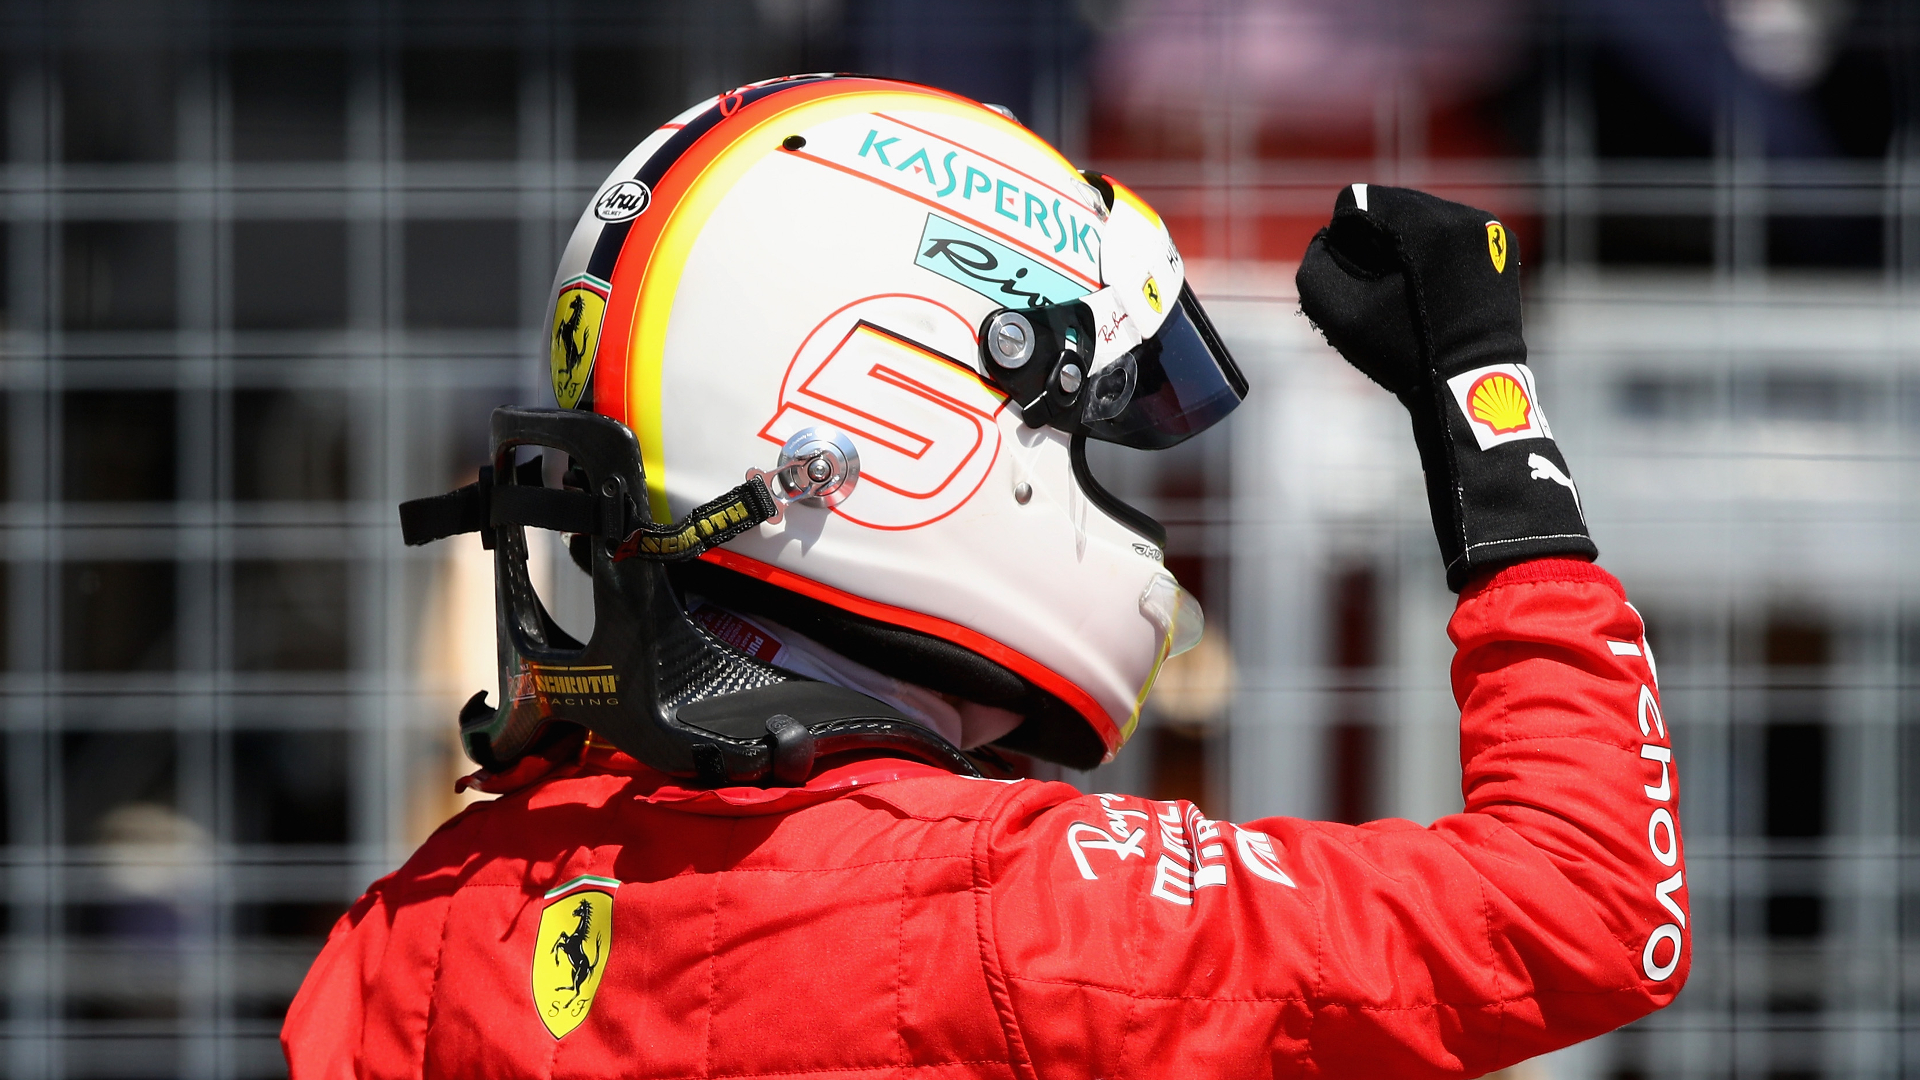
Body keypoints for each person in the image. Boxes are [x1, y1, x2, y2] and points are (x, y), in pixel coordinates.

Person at [283, 75, 1687, 1078]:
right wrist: (1487, 414)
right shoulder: (1020, 916)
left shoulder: (408, 939)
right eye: (1090, 433)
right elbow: (1588, 901)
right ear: (880, 422)